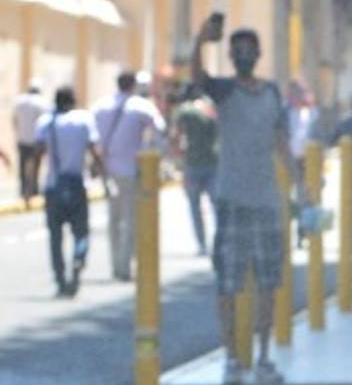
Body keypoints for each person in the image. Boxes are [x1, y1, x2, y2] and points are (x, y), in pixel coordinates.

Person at [192, 18, 292, 385]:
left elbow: (281, 141)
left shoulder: (271, 93)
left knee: (268, 281)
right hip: (232, 199)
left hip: (266, 199)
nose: (244, 55)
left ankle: (264, 356)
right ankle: (232, 356)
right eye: (238, 50)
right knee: (229, 283)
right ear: (231, 56)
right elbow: (199, 77)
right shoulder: (224, 91)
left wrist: (300, 186)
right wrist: (200, 40)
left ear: (259, 54)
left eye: (250, 49)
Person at [95, 71, 166, 281]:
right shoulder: (141, 106)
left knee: (114, 219)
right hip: (130, 170)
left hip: (107, 171)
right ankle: (124, 266)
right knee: (130, 220)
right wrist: (149, 150)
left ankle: (116, 263)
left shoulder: (101, 106)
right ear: (134, 85)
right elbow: (159, 130)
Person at [34, 86, 105, 297]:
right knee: (81, 233)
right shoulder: (83, 120)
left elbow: (38, 154)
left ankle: (60, 278)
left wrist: (30, 184)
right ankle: (78, 260)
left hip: (54, 186)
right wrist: (101, 173)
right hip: (77, 185)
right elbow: (94, 151)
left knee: (55, 237)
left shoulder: (45, 123)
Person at [172, 86, 219, 256]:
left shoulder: (184, 110)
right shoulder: (211, 107)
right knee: (216, 205)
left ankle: (201, 243)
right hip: (213, 161)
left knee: (194, 206)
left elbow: (176, 135)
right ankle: (219, 240)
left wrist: (177, 159)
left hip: (192, 162)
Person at [285, 79, 318, 248]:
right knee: (292, 198)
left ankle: (310, 235)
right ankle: (292, 234)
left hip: (309, 161)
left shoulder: (312, 112)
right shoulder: (284, 112)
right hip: (290, 159)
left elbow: (318, 134)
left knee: (310, 199)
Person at [13, 79, 49, 206]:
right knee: (35, 166)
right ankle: (33, 189)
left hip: (22, 139)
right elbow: (44, 123)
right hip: (35, 140)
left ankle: (23, 190)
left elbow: (15, 120)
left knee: (23, 166)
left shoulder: (19, 102)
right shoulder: (41, 103)